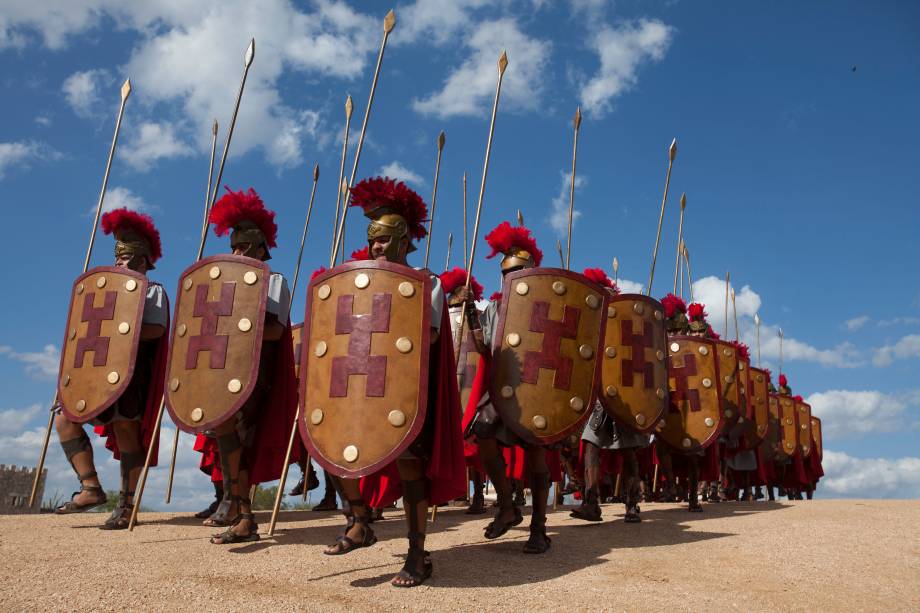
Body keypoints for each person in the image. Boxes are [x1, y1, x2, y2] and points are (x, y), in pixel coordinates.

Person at [321, 177, 465, 588]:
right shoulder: (357, 281)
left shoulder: (426, 281)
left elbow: (431, 336)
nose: (377, 247)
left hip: (402, 386)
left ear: (403, 239)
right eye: (373, 240)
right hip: (358, 384)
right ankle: (360, 520)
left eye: (384, 239)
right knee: (331, 447)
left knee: (410, 467)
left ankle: (418, 553)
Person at [53, 208, 169, 530]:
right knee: (64, 420)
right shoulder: (100, 292)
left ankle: (127, 504)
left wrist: (124, 327)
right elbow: (83, 336)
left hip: (130, 375)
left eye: (126, 256)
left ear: (141, 259)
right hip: (95, 373)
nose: (118, 263)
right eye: (117, 257)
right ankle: (91, 488)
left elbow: (155, 330)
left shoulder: (152, 291)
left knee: (127, 432)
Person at [200, 187, 299, 544]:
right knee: (227, 436)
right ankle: (237, 506)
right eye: (234, 247)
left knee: (243, 441)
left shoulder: (274, 281)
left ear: (261, 249)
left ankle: (241, 510)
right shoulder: (221, 283)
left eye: (245, 247)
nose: (238, 252)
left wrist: (243, 325)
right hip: (224, 372)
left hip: (257, 375)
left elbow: (275, 330)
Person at [458, 221, 555, 554]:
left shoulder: (548, 306)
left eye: (519, 270)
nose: (511, 277)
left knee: (536, 455)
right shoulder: (496, 308)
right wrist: (472, 316)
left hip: (537, 389)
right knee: (482, 433)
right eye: (507, 272)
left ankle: (539, 528)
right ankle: (507, 505)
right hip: (503, 387)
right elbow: (486, 348)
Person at [570, 268, 648, 524]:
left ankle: (632, 504)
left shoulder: (622, 319)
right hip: (597, 396)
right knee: (590, 444)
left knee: (627, 452)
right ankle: (591, 502)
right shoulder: (587, 319)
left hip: (622, 395)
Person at [438, 267, 489, 515]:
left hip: (470, 382)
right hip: (446, 382)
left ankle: (478, 493)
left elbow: (484, 346)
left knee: (472, 439)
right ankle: (448, 490)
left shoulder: (477, 317)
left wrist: (471, 314)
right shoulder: (440, 317)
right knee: (445, 439)